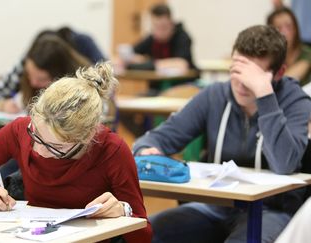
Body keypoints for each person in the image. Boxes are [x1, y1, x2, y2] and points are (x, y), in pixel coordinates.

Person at [133, 25, 311, 243]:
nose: (242, 83)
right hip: (217, 205)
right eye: (237, 71)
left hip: (271, 209)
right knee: (145, 233)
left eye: (253, 76)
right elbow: (159, 137)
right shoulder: (215, 95)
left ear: (279, 73)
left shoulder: (295, 101)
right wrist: (146, 149)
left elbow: (285, 163)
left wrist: (264, 95)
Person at [0, 62, 152, 242]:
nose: (39, 150)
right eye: (36, 134)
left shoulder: (112, 150)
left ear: (86, 138)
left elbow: (144, 235)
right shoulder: (21, 130)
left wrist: (124, 212)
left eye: (56, 147)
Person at [0, 34, 90, 113]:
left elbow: (98, 111)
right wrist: (2, 105)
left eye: (41, 79)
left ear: (59, 76)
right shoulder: (24, 65)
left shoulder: (82, 76)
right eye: (29, 74)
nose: (33, 83)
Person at [267, 7, 311, 86]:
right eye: (279, 28)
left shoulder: (307, 53)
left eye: (288, 27)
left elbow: (287, 80)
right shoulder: (269, 56)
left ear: (295, 29)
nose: (284, 33)